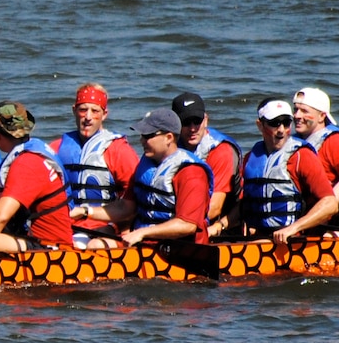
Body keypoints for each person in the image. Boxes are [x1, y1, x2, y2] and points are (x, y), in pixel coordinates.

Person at [0, 102, 74, 252]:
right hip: (30, 238)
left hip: (52, 248)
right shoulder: (33, 150)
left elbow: (1, 216)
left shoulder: (26, 164)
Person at [235, 100, 339, 242]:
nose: (281, 130)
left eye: (286, 123)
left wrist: (293, 228)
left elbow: (330, 204)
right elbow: (244, 204)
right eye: (274, 123)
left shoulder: (301, 156)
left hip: (292, 239)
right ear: (260, 125)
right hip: (258, 237)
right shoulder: (250, 158)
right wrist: (219, 225)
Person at [109, 107, 213, 247]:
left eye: (148, 136)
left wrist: (143, 233)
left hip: (181, 252)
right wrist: (85, 212)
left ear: (168, 138)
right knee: (96, 244)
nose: (142, 141)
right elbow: (126, 207)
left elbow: (187, 225)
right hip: (144, 243)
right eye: (142, 136)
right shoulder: (147, 164)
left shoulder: (191, 173)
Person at [52, 83, 140, 230]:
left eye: (95, 111)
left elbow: (134, 201)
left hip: (104, 226)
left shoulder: (119, 150)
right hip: (63, 224)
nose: (88, 117)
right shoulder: (56, 148)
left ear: (104, 114)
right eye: (83, 110)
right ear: (74, 111)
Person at [171, 92, 238, 237]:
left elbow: (215, 208)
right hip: (179, 221)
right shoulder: (170, 146)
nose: (193, 128)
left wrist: (175, 225)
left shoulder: (221, 151)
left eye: (197, 121)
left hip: (217, 229)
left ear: (206, 120)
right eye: (186, 122)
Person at [292, 87, 339, 214]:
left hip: (329, 220)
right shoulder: (292, 142)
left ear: (321, 116)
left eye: (304, 111)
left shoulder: (338, 143)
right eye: (295, 110)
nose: (297, 115)